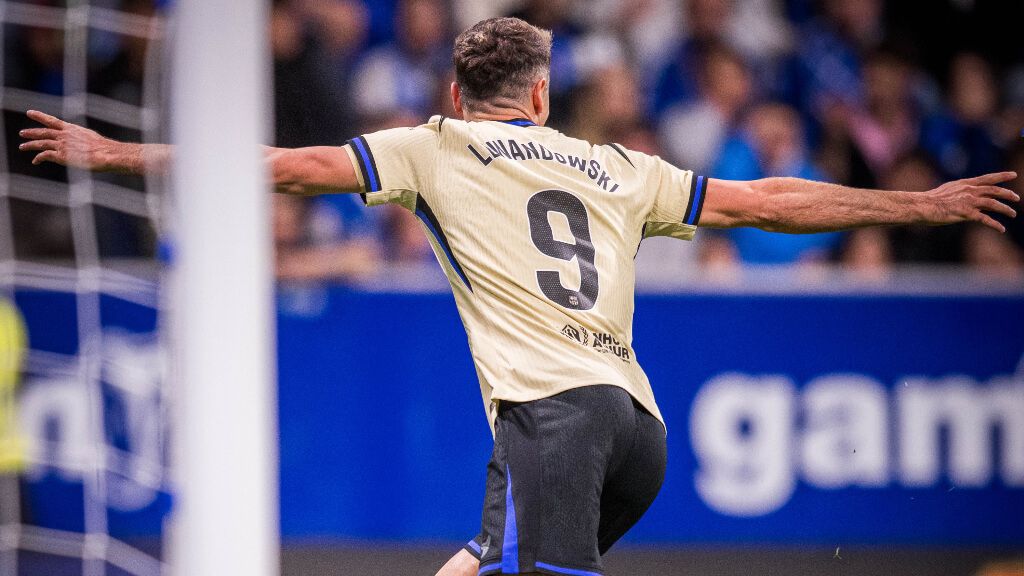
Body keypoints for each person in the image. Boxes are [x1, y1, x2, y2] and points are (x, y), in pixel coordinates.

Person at [17, 17, 1019, 576]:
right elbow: (768, 201)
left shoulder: (432, 148)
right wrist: (918, 203)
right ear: (541, 96)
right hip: (639, 433)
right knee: (479, 563)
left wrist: (118, 152)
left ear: (459, 96)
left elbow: (278, 164)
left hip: (552, 422)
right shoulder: (615, 163)